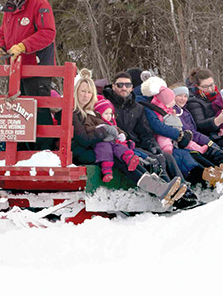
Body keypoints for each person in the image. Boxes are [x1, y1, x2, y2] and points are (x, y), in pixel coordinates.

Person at [71, 69, 184, 206]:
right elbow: (84, 138)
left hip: (104, 146)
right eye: (83, 91)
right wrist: (104, 132)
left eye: (89, 92)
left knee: (131, 157)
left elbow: (114, 128)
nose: (86, 95)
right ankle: (159, 189)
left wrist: (115, 134)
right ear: (76, 92)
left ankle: (167, 189)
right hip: (84, 151)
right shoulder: (74, 112)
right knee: (122, 157)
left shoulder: (93, 112)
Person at [0, 0, 56, 150]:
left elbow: (48, 33)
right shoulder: (9, 9)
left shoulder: (39, 4)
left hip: (36, 69)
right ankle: (20, 152)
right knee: (16, 113)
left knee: (39, 112)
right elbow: (3, 33)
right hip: (14, 71)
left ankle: (44, 152)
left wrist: (23, 46)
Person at [138, 76, 223, 189]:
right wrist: (179, 135)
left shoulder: (166, 107)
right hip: (163, 143)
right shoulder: (149, 107)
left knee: (195, 154)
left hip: (176, 141)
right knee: (184, 157)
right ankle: (208, 178)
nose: (182, 99)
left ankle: (215, 174)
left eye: (185, 96)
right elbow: (158, 127)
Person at [102, 71, 182, 183]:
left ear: (131, 88)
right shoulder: (106, 106)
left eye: (127, 85)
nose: (124, 88)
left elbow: (145, 133)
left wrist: (153, 145)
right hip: (122, 146)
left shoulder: (138, 108)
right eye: (120, 85)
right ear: (114, 86)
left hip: (138, 144)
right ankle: (169, 191)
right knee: (154, 161)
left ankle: (185, 190)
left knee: (166, 157)